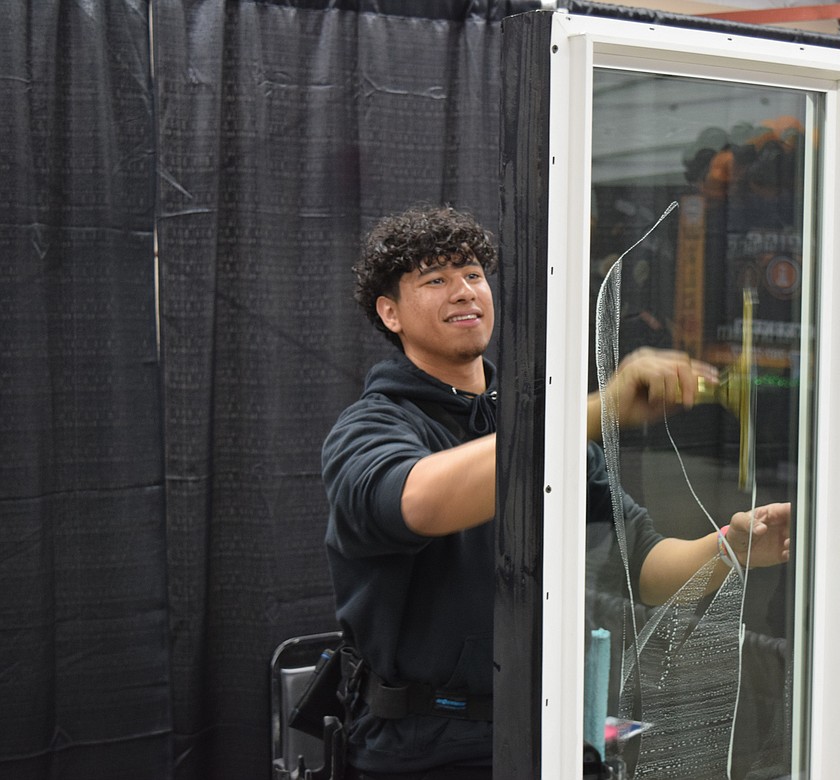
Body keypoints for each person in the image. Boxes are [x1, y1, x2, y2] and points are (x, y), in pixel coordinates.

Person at [321, 205, 791, 779]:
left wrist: (730, 550)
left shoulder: (541, 425)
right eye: (435, 280)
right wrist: (597, 411)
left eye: (472, 274)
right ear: (390, 313)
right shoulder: (371, 428)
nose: (464, 291)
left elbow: (643, 563)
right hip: (424, 752)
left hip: (551, 733)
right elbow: (418, 502)